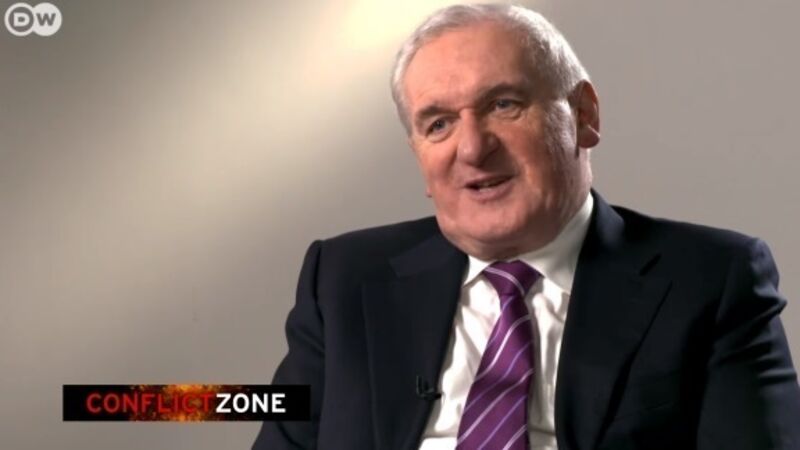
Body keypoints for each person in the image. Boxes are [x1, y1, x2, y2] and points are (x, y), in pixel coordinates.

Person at [252, 4, 800, 449]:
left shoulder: (712, 282)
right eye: (439, 124)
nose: (472, 148)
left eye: (503, 104)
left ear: (584, 115)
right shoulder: (344, 278)